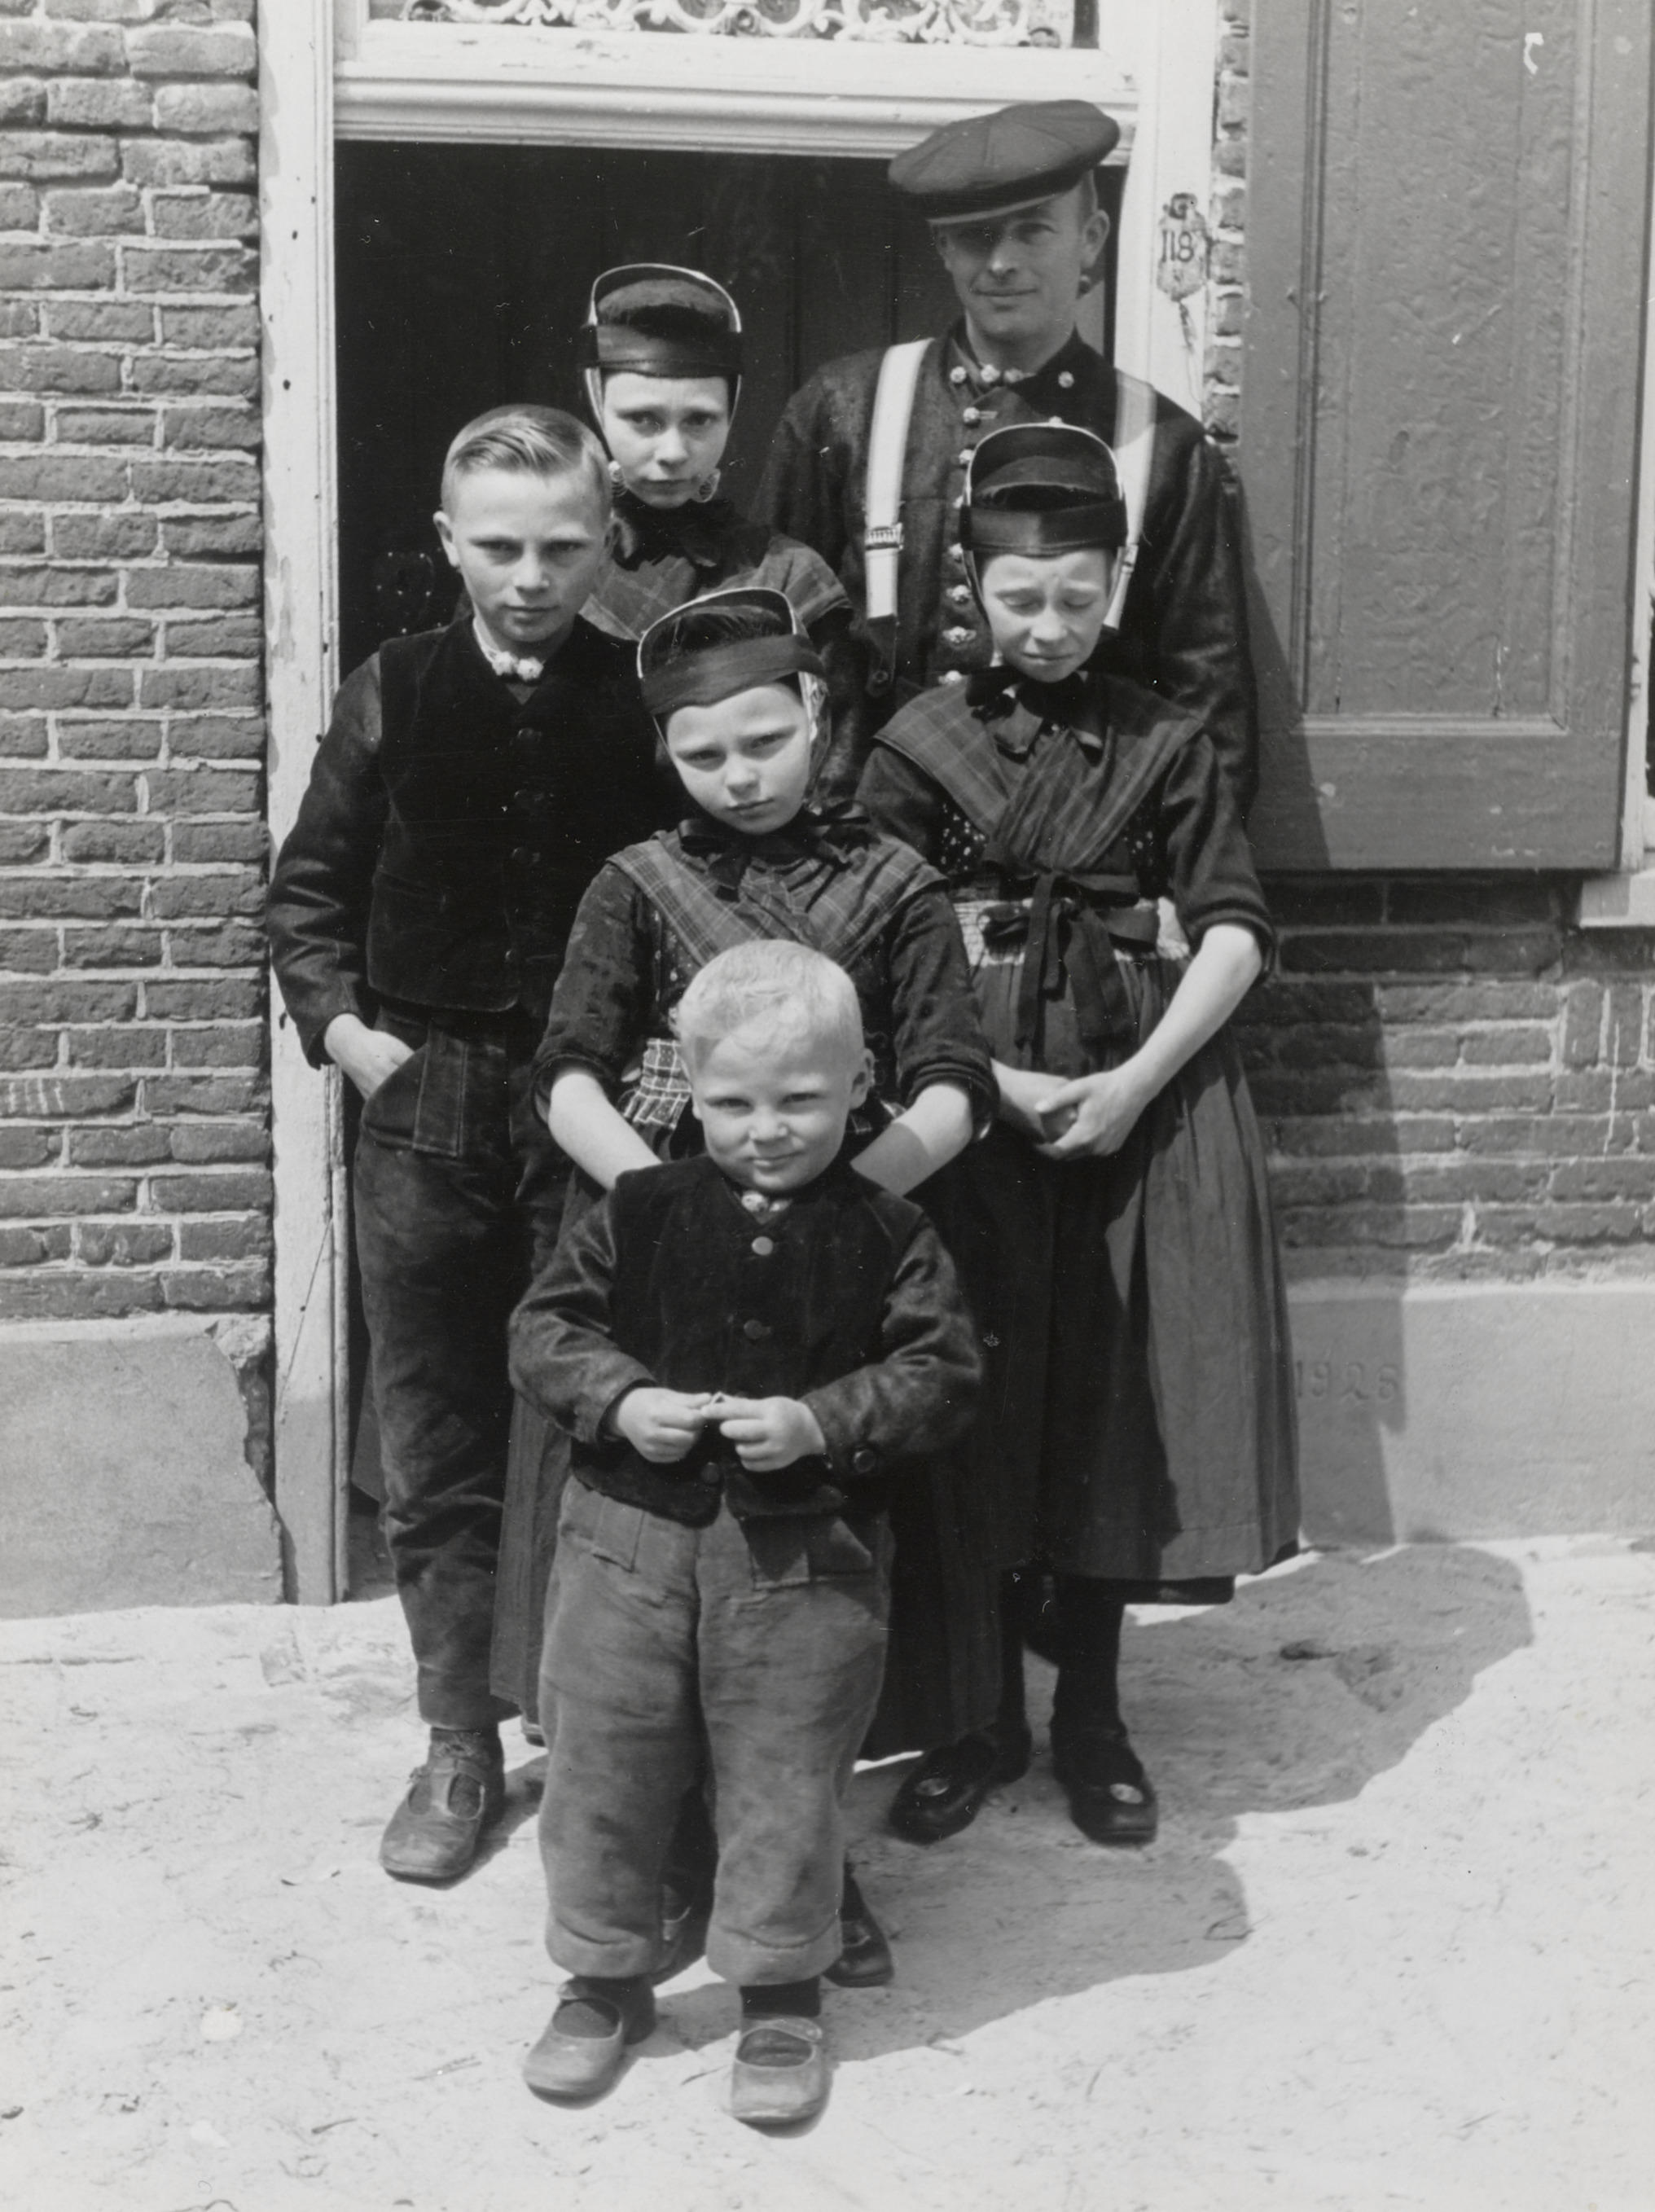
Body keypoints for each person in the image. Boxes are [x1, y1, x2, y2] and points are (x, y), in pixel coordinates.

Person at [489, 584, 994, 1982]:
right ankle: (660, 1866)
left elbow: (952, 1075)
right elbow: (568, 1068)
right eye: (707, 756)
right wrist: (664, 1201)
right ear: (671, 758)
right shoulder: (636, 883)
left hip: (845, 1234)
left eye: (764, 741)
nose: (740, 775)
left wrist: (834, 1204)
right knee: (645, 1574)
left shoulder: (894, 885)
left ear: (815, 717)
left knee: (804, 1591)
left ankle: (805, 1872)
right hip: (662, 1244)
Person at [858, 420, 1299, 1849]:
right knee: (978, 1398)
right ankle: (977, 1715)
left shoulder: (1163, 739)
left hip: (1134, 1100)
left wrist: (1134, 1081)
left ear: (1114, 584)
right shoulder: (917, 742)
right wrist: (987, 1079)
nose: (1045, 626)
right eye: (1015, 597)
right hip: (967, 1100)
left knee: (1105, 1407)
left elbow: (1230, 926)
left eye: (1074, 595)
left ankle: (1093, 1715)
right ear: (970, 591)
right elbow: (870, 938)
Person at [267, 405, 669, 1883]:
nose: (528, 575)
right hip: (424, 1109)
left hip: (594, 1116)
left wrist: (664, 1097)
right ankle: (456, 1740)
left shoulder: (643, 705)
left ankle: (592, 1727)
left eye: (562, 545)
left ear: (607, 541)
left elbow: (700, 911)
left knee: (585, 1414)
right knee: (436, 1433)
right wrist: (349, 1035)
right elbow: (304, 894)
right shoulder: (394, 689)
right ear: (447, 542)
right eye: (497, 546)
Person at [510, 941, 981, 2121]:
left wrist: (821, 1421)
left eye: (801, 1101)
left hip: (802, 1569)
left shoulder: (888, 1232)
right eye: (732, 1103)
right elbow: (543, 1332)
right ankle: (603, 1976)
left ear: (861, 1079)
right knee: (605, 1764)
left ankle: (779, 1995)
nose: (765, 1130)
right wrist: (622, 1398)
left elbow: (942, 1372)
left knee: (787, 1777)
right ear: (686, 1086)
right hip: (625, 1547)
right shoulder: (638, 1209)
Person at [757, 97, 1259, 819]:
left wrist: (1199, 888)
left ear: (1091, 239)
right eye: (975, 236)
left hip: (1080, 839)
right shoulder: (844, 409)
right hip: (865, 835)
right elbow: (772, 641)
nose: (1000, 262)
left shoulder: (1164, 444)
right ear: (941, 246)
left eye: (1032, 231)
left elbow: (1209, 693)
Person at [577, 263, 868, 798]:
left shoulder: (786, 574)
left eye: (699, 421)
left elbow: (833, 766)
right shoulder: (556, 561)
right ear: (600, 408)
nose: (672, 452)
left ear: (730, 415)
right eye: (642, 420)